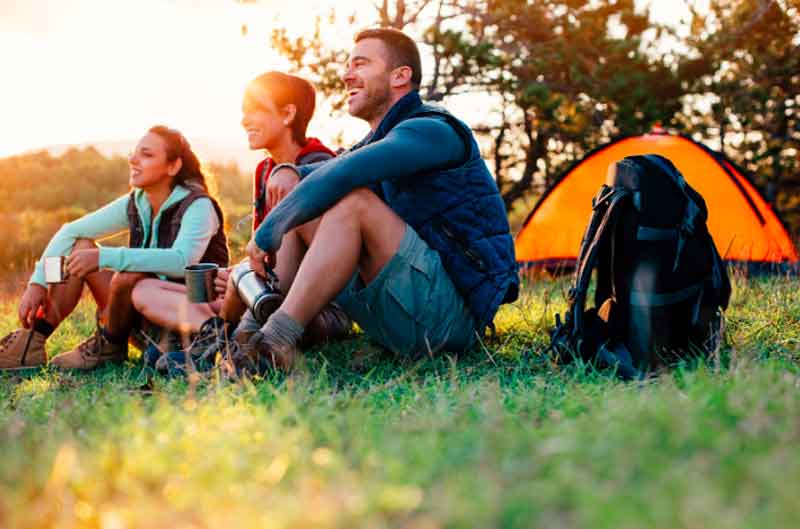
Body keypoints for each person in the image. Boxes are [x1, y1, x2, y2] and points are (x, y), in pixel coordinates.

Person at [228, 27, 519, 375]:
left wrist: (266, 232)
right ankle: (247, 335)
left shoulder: (434, 130)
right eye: (348, 65)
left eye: (361, 64)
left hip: (450, 320)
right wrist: (288, 171)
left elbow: (346, 172)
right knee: (308, 199)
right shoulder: (374, 139)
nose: (347, 75)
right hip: (400, 312)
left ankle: (275, 340)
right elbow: (324, 175)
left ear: (400, 76)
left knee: (351, 201)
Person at [129, 72, 346, 373]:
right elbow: (266, 251)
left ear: (287, 114)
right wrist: (235, 275)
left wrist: (243, 277)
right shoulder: (264, 170)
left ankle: (218, 347)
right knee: (144, 291)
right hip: (265, 290)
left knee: (252, 277)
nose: (245, 120)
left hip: (314, 308)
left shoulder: (320, 165)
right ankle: (213, 336)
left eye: (255, 109)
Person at [0, 126, 228, 370]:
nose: (133, 159)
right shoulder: (137, 201)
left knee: (129, 275)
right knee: (81, 246)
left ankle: (109, 345)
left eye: (147, 155)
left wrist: (104, 257)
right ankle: (32, 342)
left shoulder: (198, 206)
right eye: (134, 153)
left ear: (173, 167)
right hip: (138, 316)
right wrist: (38, 283)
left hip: (184, 319)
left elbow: (183, 260)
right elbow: (70, 232)